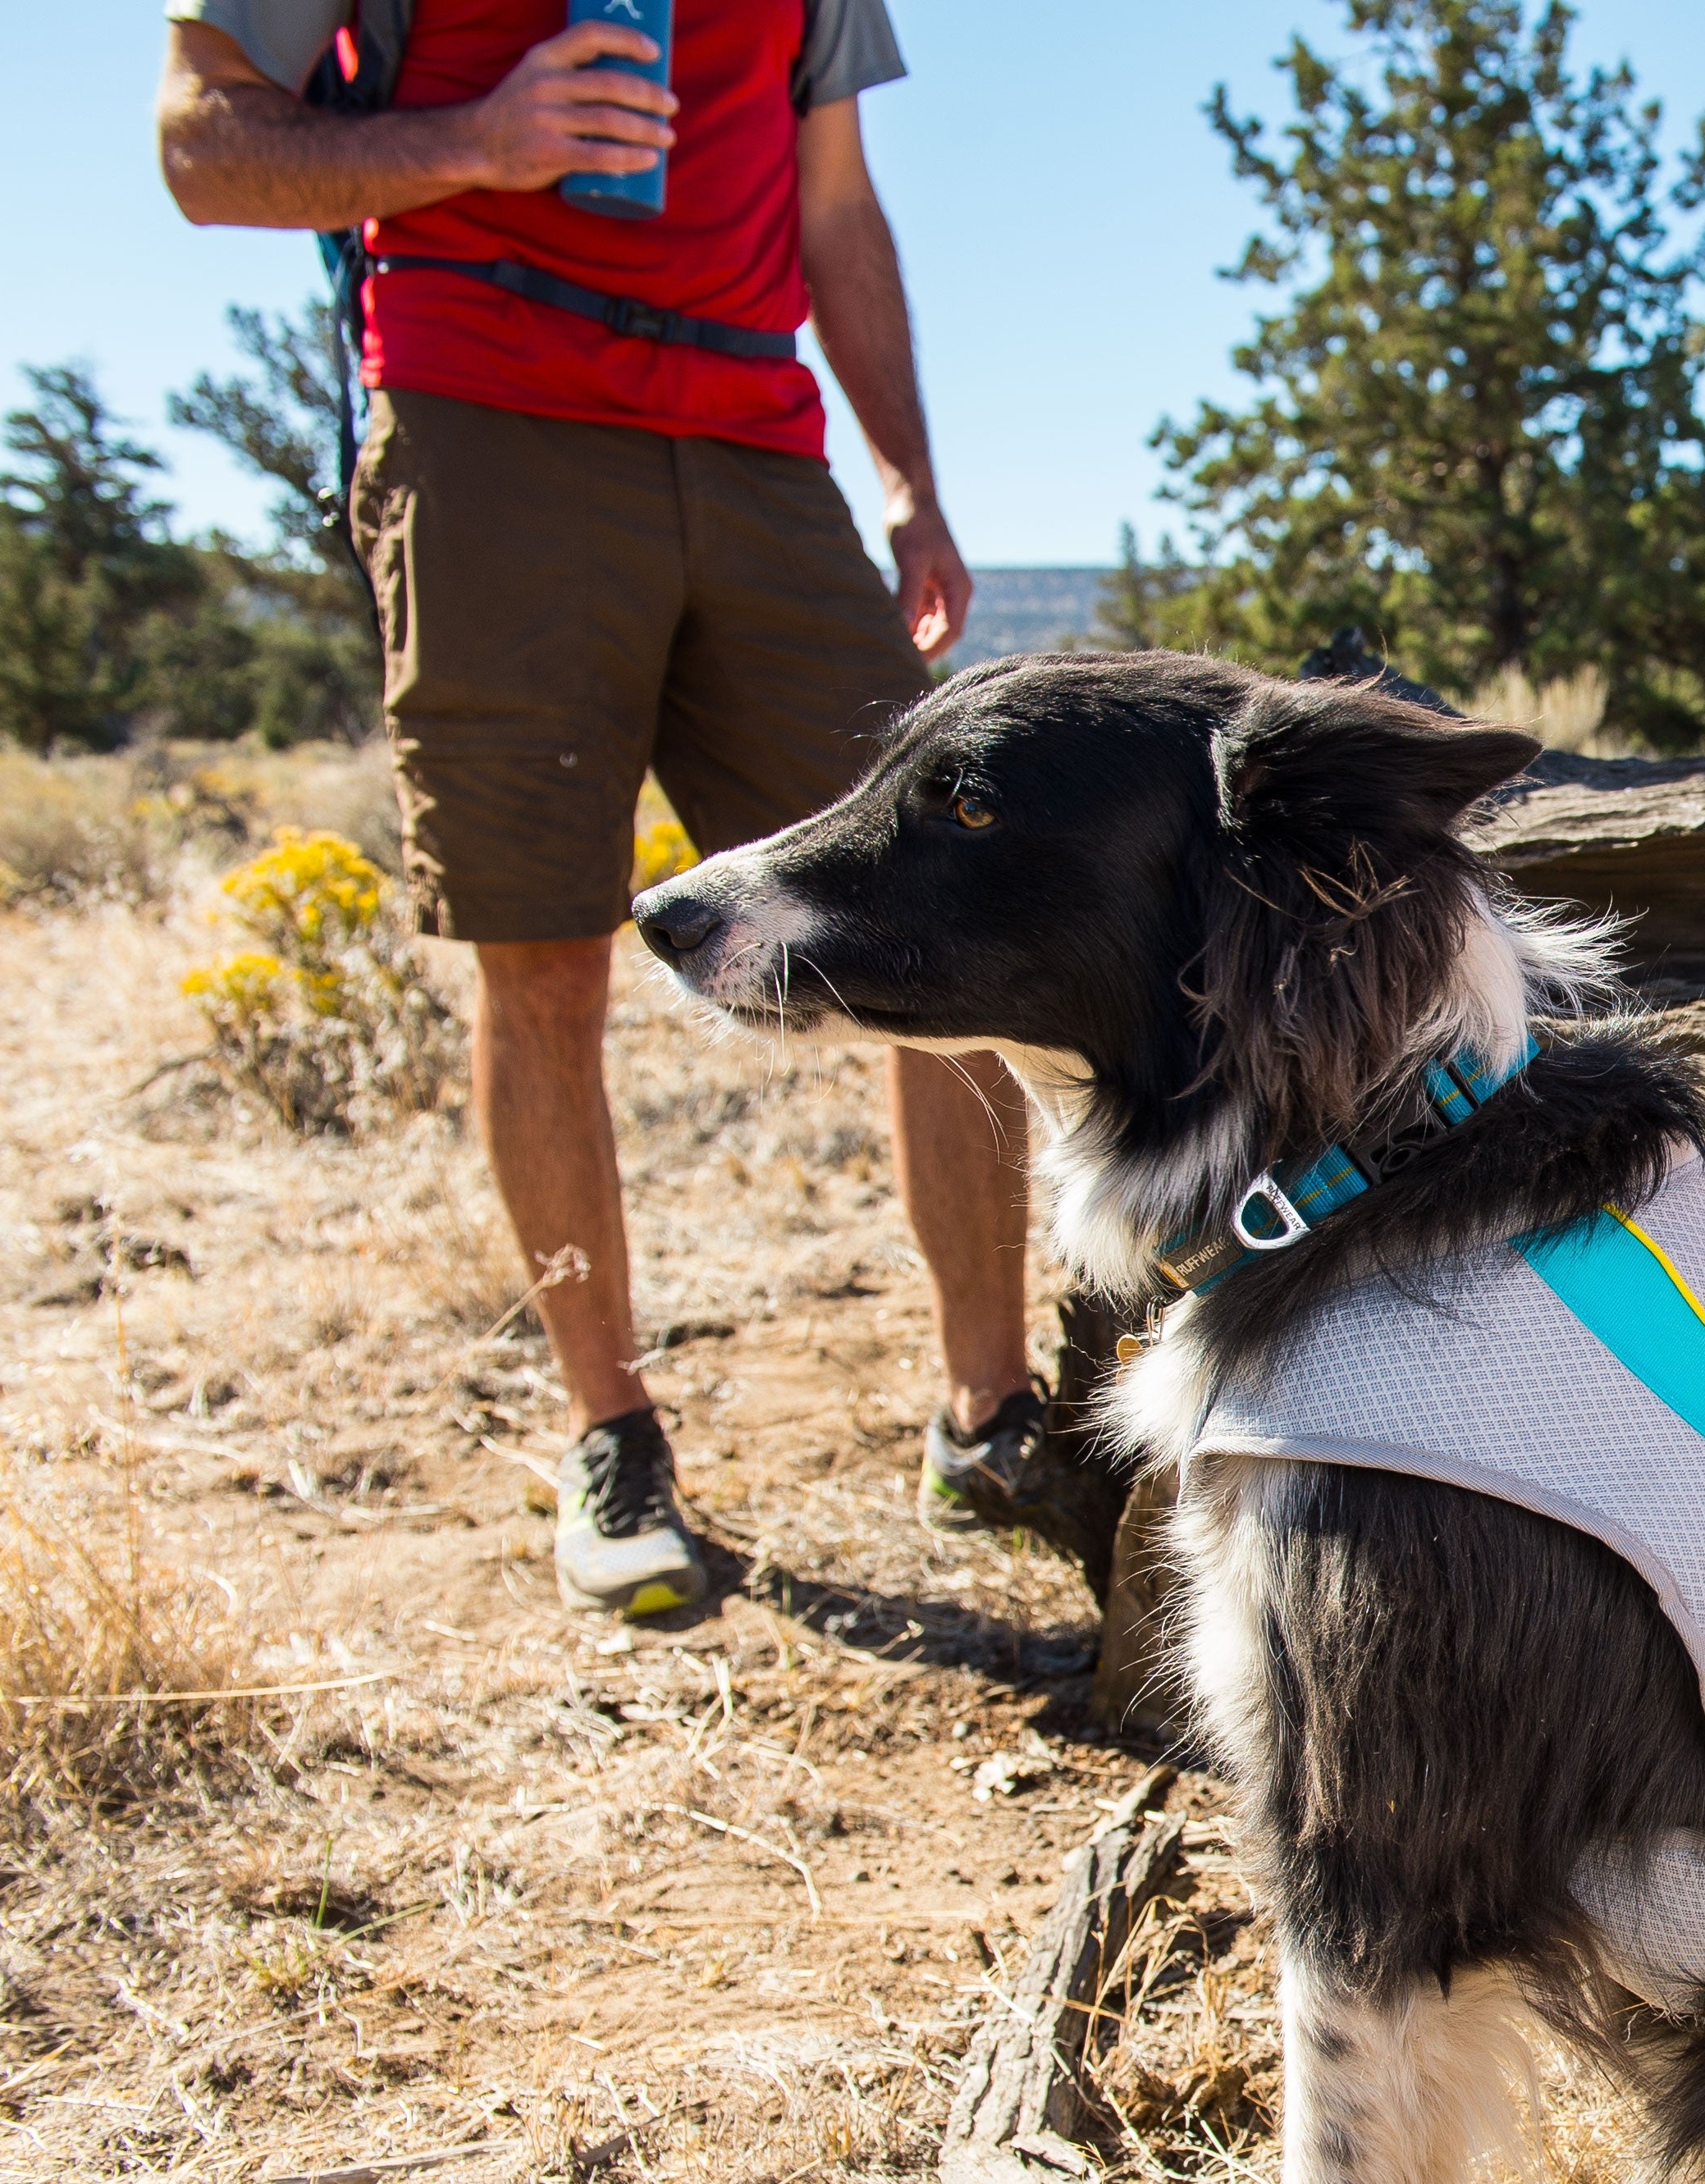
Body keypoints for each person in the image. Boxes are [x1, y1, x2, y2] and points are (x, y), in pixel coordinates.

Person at [157, 0, 1107, 1615]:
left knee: (942, 914)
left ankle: (989, 1412)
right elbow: (200, 145)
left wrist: (910, 480)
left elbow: (836, 209)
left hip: (751, 441)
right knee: (541, 957)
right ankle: (616, 1438)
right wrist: (475, 139)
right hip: (487, 419)